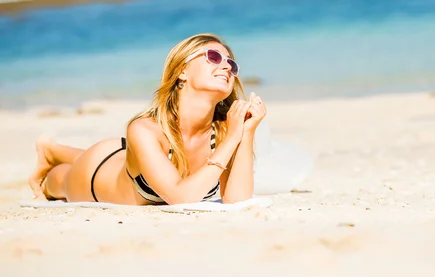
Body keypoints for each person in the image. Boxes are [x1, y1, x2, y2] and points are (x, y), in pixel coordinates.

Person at [27, 33, 266, 205]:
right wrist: (232, 138)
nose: (226, 66)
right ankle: (51, 155)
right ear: (182, 70)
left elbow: (237, 199)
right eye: (213, 57)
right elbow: (181, 197)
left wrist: (245, 133)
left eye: (231, 63)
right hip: (94, 173)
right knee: (57, 181)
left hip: (127, 154)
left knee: (134, 158)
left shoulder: (226, 129)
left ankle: (53, 150)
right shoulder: (144, 129)